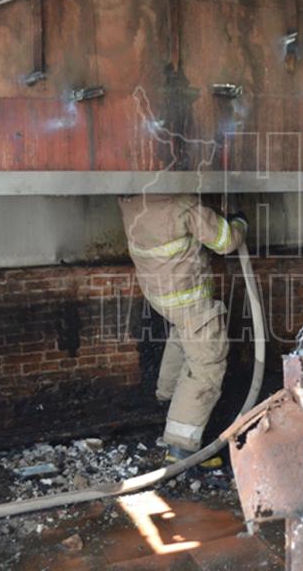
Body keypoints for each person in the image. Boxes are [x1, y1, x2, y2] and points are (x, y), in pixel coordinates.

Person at [119, 193, 247, 467]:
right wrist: (239, 223)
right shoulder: (183, 206)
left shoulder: (129, 200)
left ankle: (167, 398)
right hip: (191, 300)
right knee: (207, 364)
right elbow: (225, 242)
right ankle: (182, 447)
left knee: (183, 337)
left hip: (161, 297)